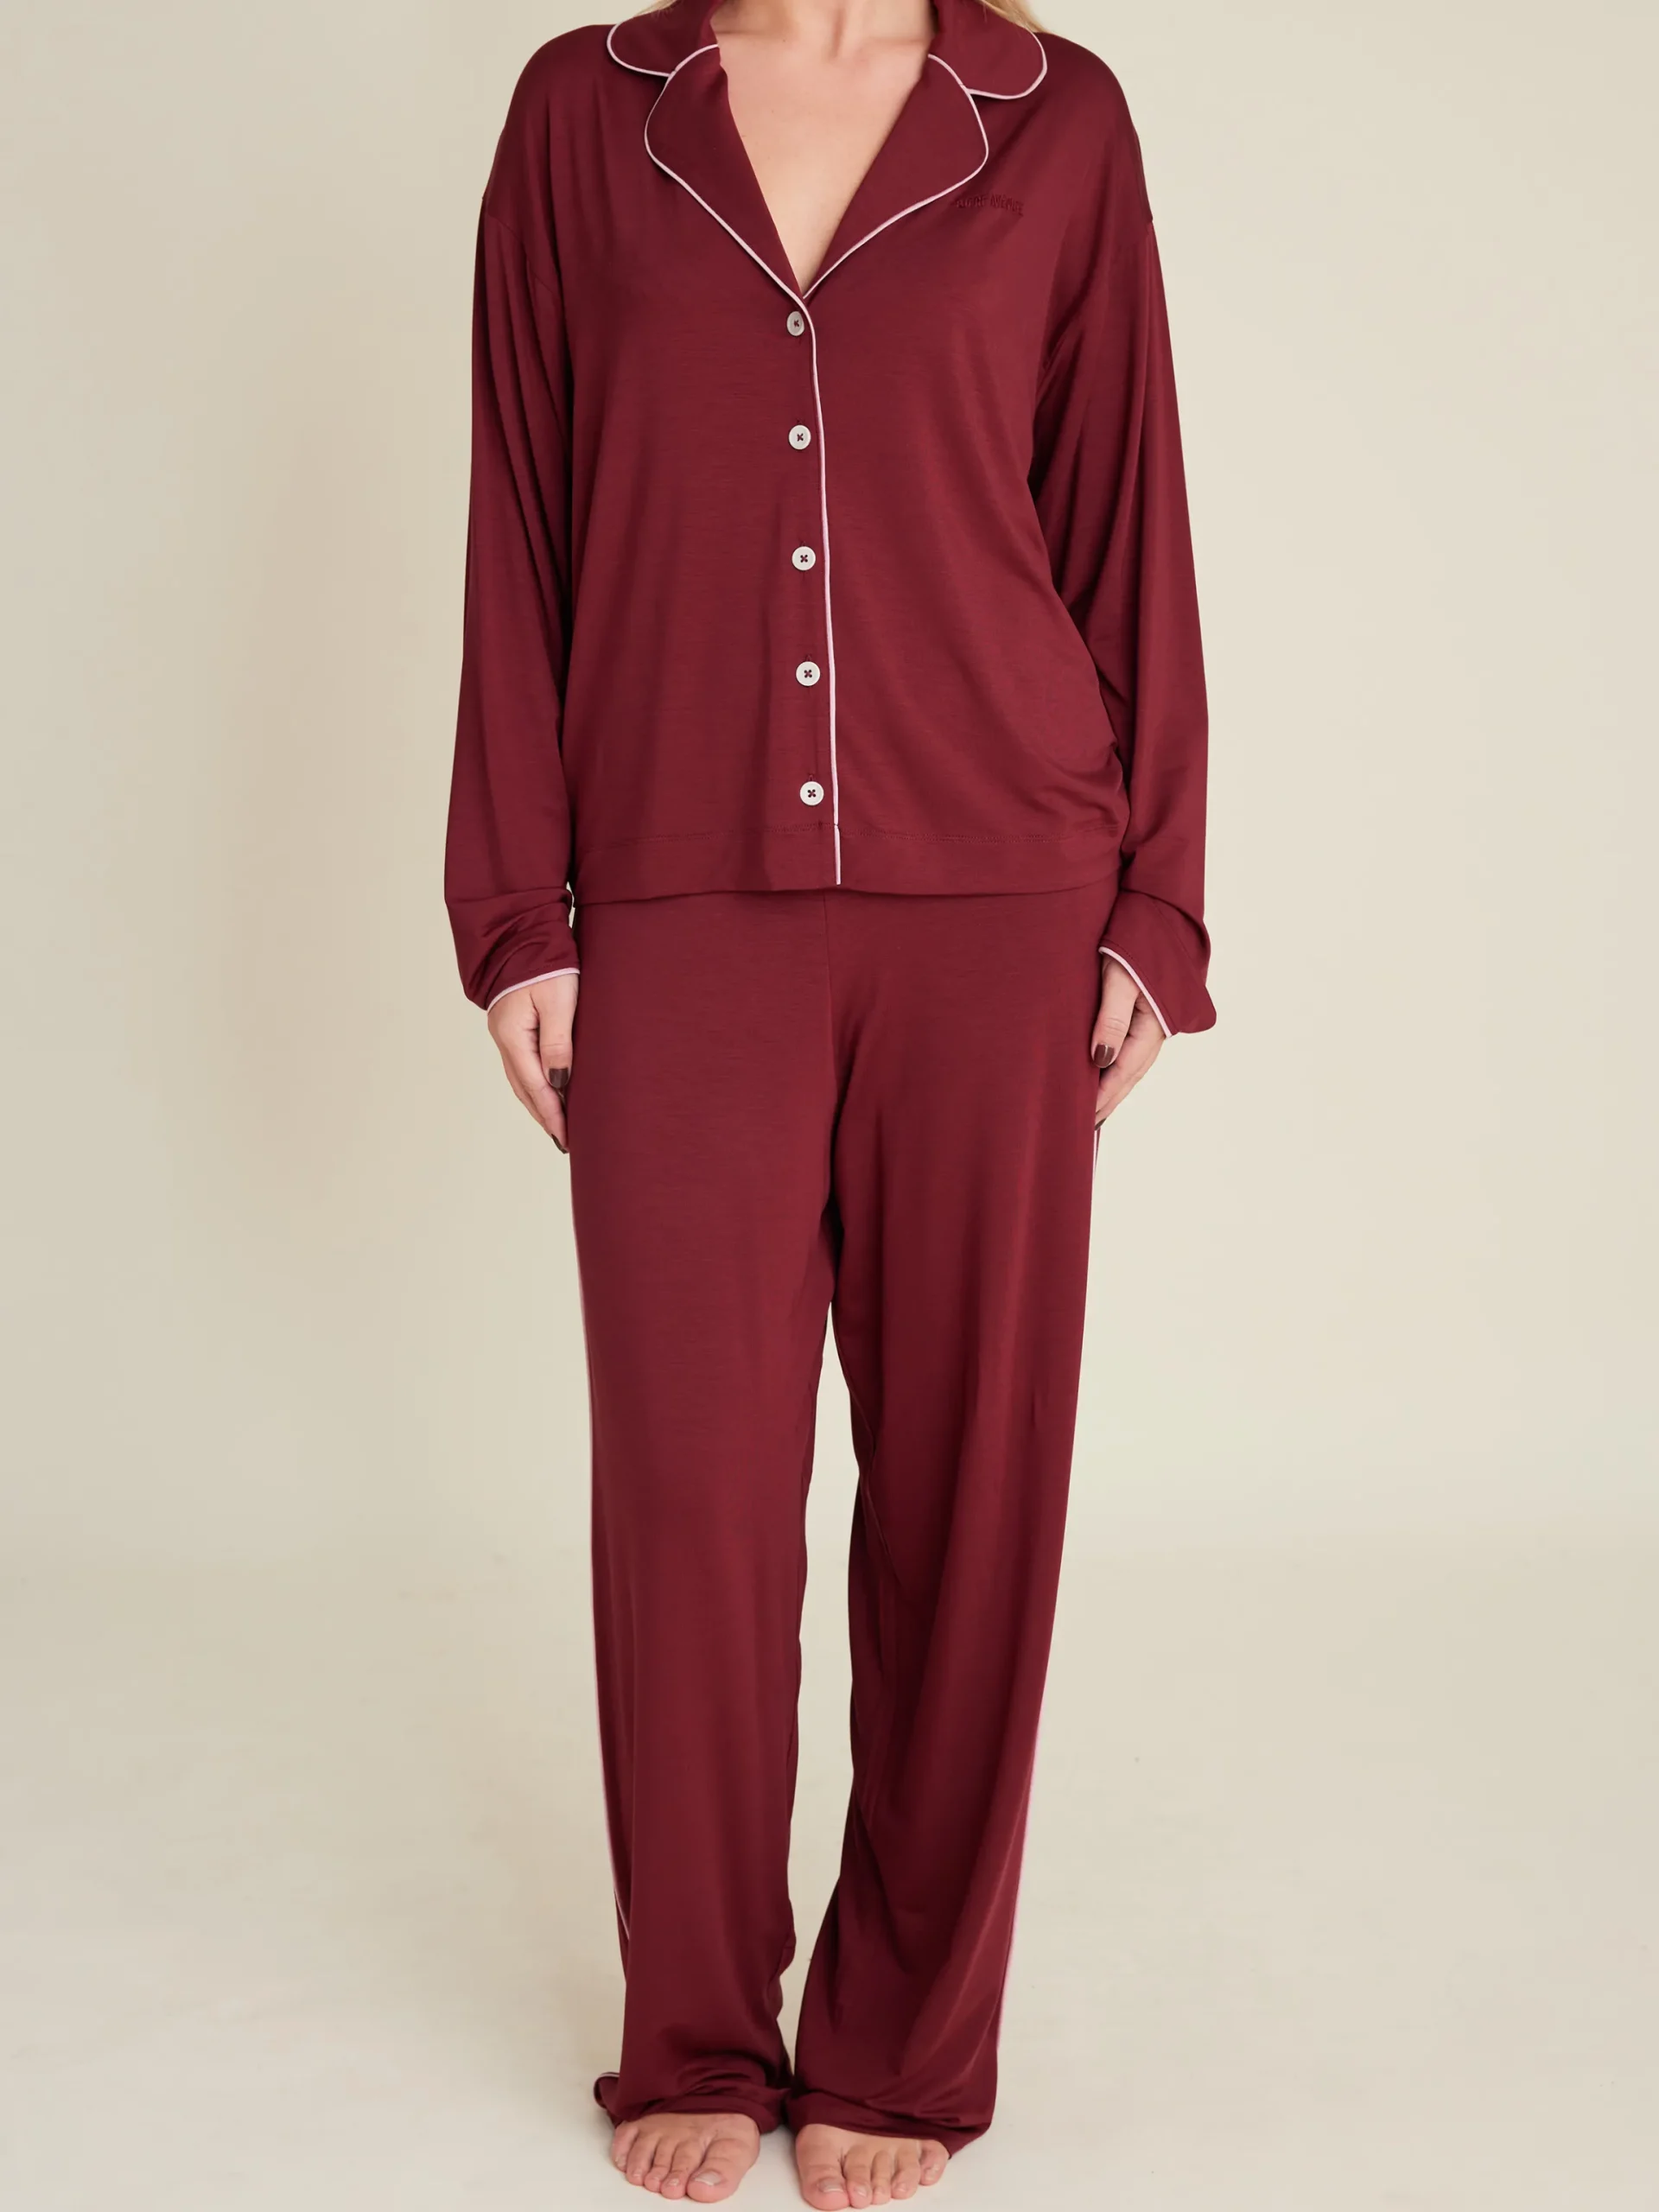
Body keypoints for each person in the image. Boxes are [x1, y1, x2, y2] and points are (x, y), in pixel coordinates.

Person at [443, 0, 1213, 2199]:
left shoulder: (1055, 121)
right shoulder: (587, 116)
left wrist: (1157, 897)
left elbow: (1126, 509)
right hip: (674, 894)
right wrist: (517, 904)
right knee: (688, 1495)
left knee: (973, 1482)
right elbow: (519, 511)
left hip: (1002, 891)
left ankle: (903, 2038)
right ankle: (695, 2020)